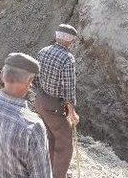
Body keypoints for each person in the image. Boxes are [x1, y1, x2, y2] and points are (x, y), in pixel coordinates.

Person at [34, 24, 79, 178]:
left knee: (50, 137)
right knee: (65, 144)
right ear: (69, 40)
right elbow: (69, 88)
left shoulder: (42, 52)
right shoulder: (67, 58)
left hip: (40, 101)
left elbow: (36, 78)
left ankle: (48, 171)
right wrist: (72, 112)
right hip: (54, 106)